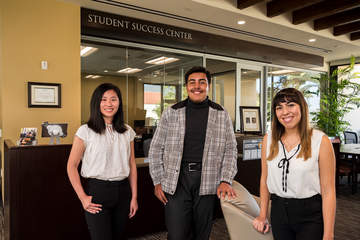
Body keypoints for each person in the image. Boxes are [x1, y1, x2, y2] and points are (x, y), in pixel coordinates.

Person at [149, 66, 238, 240]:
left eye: (202, 82)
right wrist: (157, 181)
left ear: (208, 86)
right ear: (186, 86)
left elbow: (230, 149)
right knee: (177, 233)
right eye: (192, 82)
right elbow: (156, 148)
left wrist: (226, 179)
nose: (197, 86)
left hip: (207, 179)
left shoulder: (221, 114)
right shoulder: (172, 112)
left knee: (202, 233)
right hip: (176, 180)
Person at [252, 88, 336, 240]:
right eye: (279, 107)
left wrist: (329, 234)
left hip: (310, 215)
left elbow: (328, 191)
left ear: (302, 107)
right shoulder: (268, 139)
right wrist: (262, 215)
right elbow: (264, 180)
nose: (285, 112)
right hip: (278, 211)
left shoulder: (320, 141)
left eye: (290, 105)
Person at [67, 83, 138, 240]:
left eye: (113, 99)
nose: (109, 104)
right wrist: (82, 197)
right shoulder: (85, 131)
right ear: (96, 103)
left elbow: (132, 165)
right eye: (104, 99)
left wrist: (134, 197)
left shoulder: (127, 131)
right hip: (97, 192)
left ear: (119, 103)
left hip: (123, 192)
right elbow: (71, 166)